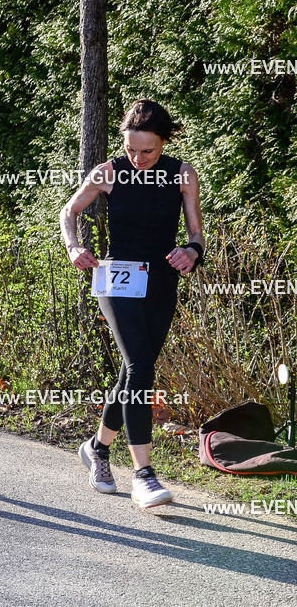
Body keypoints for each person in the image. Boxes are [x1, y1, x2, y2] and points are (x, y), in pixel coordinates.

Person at [60, 99, 205, 509]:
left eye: (148, 151)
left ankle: (98, 448)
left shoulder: (183, 174)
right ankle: (143, 474)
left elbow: (197, 233)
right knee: (141, 366)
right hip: (116, 276)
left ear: (164, 143)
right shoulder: (108, 171)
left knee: (134, 369)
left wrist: (191, 252)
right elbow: (68, 211)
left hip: (160, 280)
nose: (138, 159)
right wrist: (74, 246)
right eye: (131, 150)